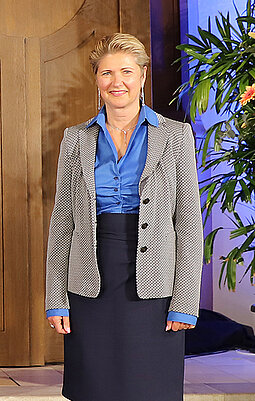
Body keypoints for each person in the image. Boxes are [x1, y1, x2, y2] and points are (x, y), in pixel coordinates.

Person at [45, 33, 203, 400]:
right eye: (107, 73)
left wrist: (185, 302)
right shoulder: (75, 139)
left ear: (143, 76)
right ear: (96, 80)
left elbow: (190, 226)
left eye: (127, 72)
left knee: (149, 387)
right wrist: (56, 296)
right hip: (90, 278)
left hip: (155, 282)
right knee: (94, 386)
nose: (117, 82)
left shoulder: (176, 136)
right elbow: (62, 224)